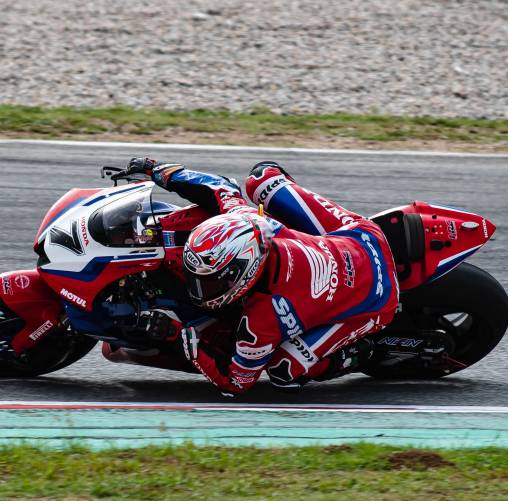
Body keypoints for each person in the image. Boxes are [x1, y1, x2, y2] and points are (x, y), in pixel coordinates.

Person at [125, 157, 400, 395]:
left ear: (245, 271)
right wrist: (161, 171)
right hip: (362, 236)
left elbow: (237, 383)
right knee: (262, 177)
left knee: (283, 370)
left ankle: (359, 354)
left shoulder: (263, 319)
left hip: (377, 299)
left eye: (211, 282)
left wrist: (181, 338)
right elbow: (220, 188)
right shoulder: (251, 220)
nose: (199, 289)